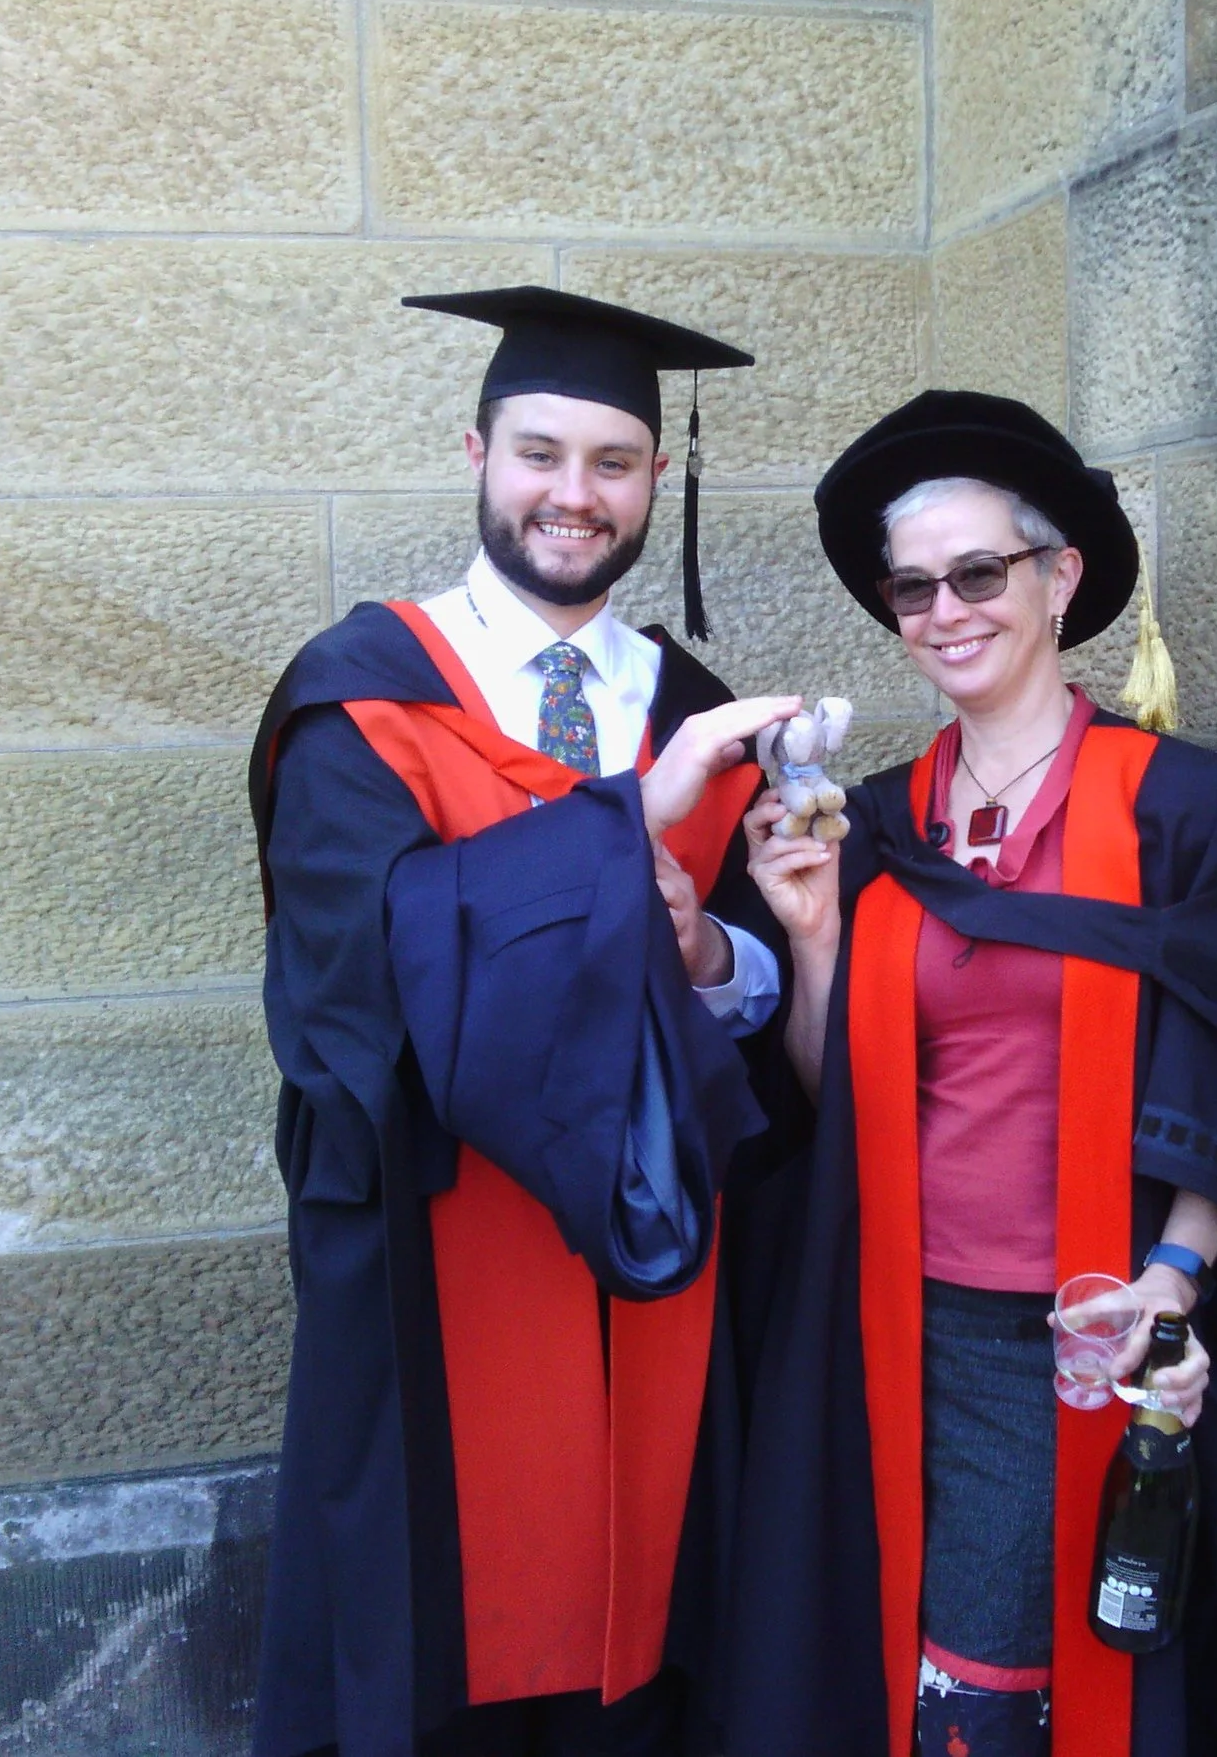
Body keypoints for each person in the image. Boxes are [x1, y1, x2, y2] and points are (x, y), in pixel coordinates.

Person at [247, 286, 803, 1757]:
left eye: (613, 463)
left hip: (651, 1250)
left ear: (657, 481)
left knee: (646, 1632)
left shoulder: (690, 708)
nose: (575, 494)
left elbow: (759, 988)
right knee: (448, 1639)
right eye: (540, 454)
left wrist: (711, 957)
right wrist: (627, 831)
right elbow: (358, 985)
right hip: (438, 1249)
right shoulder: (360, 697)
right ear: (477, 453)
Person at [720, 391, 1217, 1757]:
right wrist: (811, 941)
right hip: (891, 1309)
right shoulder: (877, 823)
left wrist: (1172, 1281)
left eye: (980, 572)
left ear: (1060, 578)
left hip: (1081, 1319)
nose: (945, 611)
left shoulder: (1181, 808)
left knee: (1009, 1664)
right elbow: (828, 1095)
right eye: (913, 586)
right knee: (916, 1647)